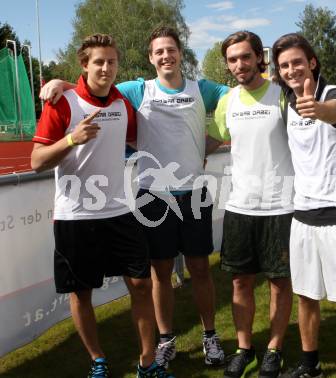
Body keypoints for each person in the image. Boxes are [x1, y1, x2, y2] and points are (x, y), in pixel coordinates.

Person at [40, 26, 228, 369]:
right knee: (159, 273)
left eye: (171, 50)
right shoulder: (138, 90)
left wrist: (212, 141)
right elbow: (96, 87)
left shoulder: (202, 88)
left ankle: (210, 336)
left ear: (180, 53)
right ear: (151, 58)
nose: (166, 56)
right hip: (152, 196)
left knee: (201, 268)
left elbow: (240, 99)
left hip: (195, 194)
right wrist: (62, 84)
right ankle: (166, 339)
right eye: (159, 52)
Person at [31, 34, 172, 378]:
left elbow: (141, 131)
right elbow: (36, 160)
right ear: (84, 65)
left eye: (111, 61)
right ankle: (97, 359)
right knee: (81, 294)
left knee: (140, 285)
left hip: (120, 212)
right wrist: (71, 139)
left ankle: (147, 362)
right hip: (75, 217)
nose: (106, 68)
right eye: (98, 62)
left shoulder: (122, 103)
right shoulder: (61, 102)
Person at [272, 33, 336, 378]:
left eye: (297, 62)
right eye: (284, 65)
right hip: (302, 218)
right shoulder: (287, 100)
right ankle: (310, 365)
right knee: (306, 297)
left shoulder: (330, 96)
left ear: (312, 62)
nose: (291, 70)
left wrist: (320, 109)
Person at [205, 30, 296, 378]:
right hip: (241, 206)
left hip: (281, 205)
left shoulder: (282, 95)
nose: (239, 64)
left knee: (279, 282)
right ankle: (245, 349)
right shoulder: (228, 100)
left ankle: (274, 350)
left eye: (246, 56)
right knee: (240, 283)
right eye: (232, 59)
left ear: (261, 57)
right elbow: (214, 139)